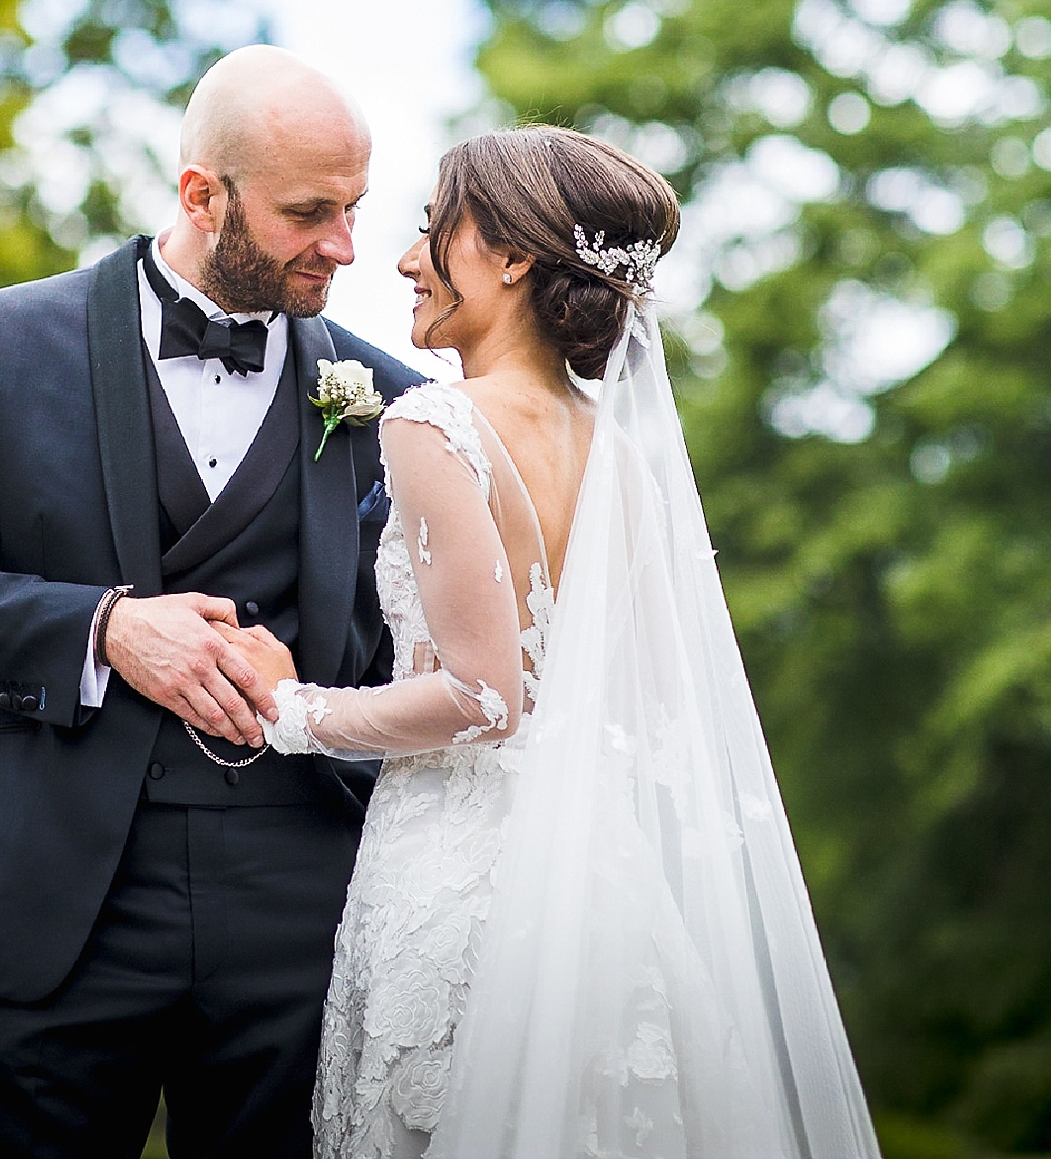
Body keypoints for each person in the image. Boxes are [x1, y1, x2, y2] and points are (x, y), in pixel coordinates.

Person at [229, 126, 881, 1157]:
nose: (403, 260)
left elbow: (488, 697)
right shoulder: (620, 451)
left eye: (430, 230)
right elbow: (646, 704)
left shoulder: (433, 420)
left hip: (460, 887)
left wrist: (292, 707)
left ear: (513, 256)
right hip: (603, 888)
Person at [0, 45, 423, 1156]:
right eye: (310, 212)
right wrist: (105, 627)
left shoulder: (391, 403)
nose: (344, 247)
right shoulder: (2, 341)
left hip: (303, 909)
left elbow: (418, 662)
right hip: (56, 905)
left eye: (355, 207)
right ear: (201, 194)